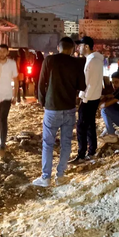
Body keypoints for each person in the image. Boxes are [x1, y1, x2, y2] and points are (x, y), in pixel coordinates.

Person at [33, 37, 86, 187]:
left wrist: (43, 102)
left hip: (52, 108)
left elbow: (41, 82)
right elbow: (82, 85)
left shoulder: (49, 60)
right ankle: (60, 176)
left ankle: (46, 177)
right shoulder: (76, 62)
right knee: (66, 143)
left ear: (58, 47)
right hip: (69, 108)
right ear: (72, 49)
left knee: (48, 144)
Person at [70, 36, 104, 164]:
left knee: (81, 126)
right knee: (89, 124)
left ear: (86, 46)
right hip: (93, 97)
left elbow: (88, 83)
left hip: (89, 98)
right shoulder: (95, 59)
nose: (78, 48)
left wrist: (83, 99)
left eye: (80, 45)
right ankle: (91, 150)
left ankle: (82, 153)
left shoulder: (92, 61)